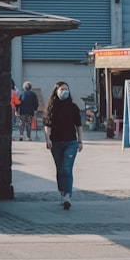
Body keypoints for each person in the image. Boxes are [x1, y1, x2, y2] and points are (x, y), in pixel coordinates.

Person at [44, 81, 83, 210]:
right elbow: (47, 125)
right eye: (61, 89)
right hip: (56, 142)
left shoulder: (73, 107)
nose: (64, 91)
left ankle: (67, 196)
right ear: (56, 91)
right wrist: (48, 139)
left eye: (66, 89)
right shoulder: (51, 107)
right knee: (60, 169)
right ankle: (62, 190)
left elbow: (79, 126)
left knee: (67, 168)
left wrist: (80, 141)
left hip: (71, 142)